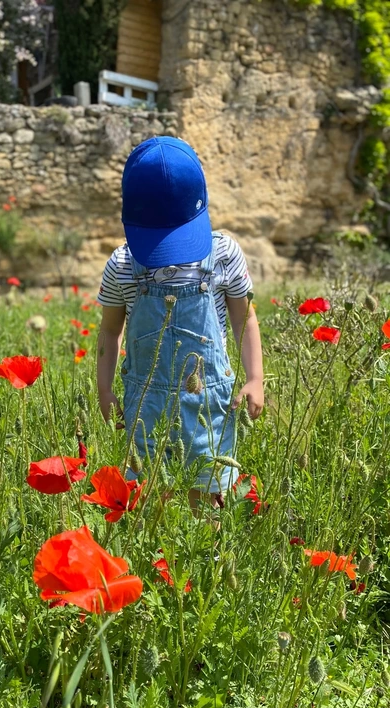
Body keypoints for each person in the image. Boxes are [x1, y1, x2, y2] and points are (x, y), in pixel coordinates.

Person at [96, 136, 264, 506]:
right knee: (147, 499)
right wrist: (104, 390)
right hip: (145, 406)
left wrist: (255, 378)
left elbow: (244, 318)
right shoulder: (122, 265)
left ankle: (207, 543)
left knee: (208, 497)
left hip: (208, 404)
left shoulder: (223, 254)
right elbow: (109, 330)